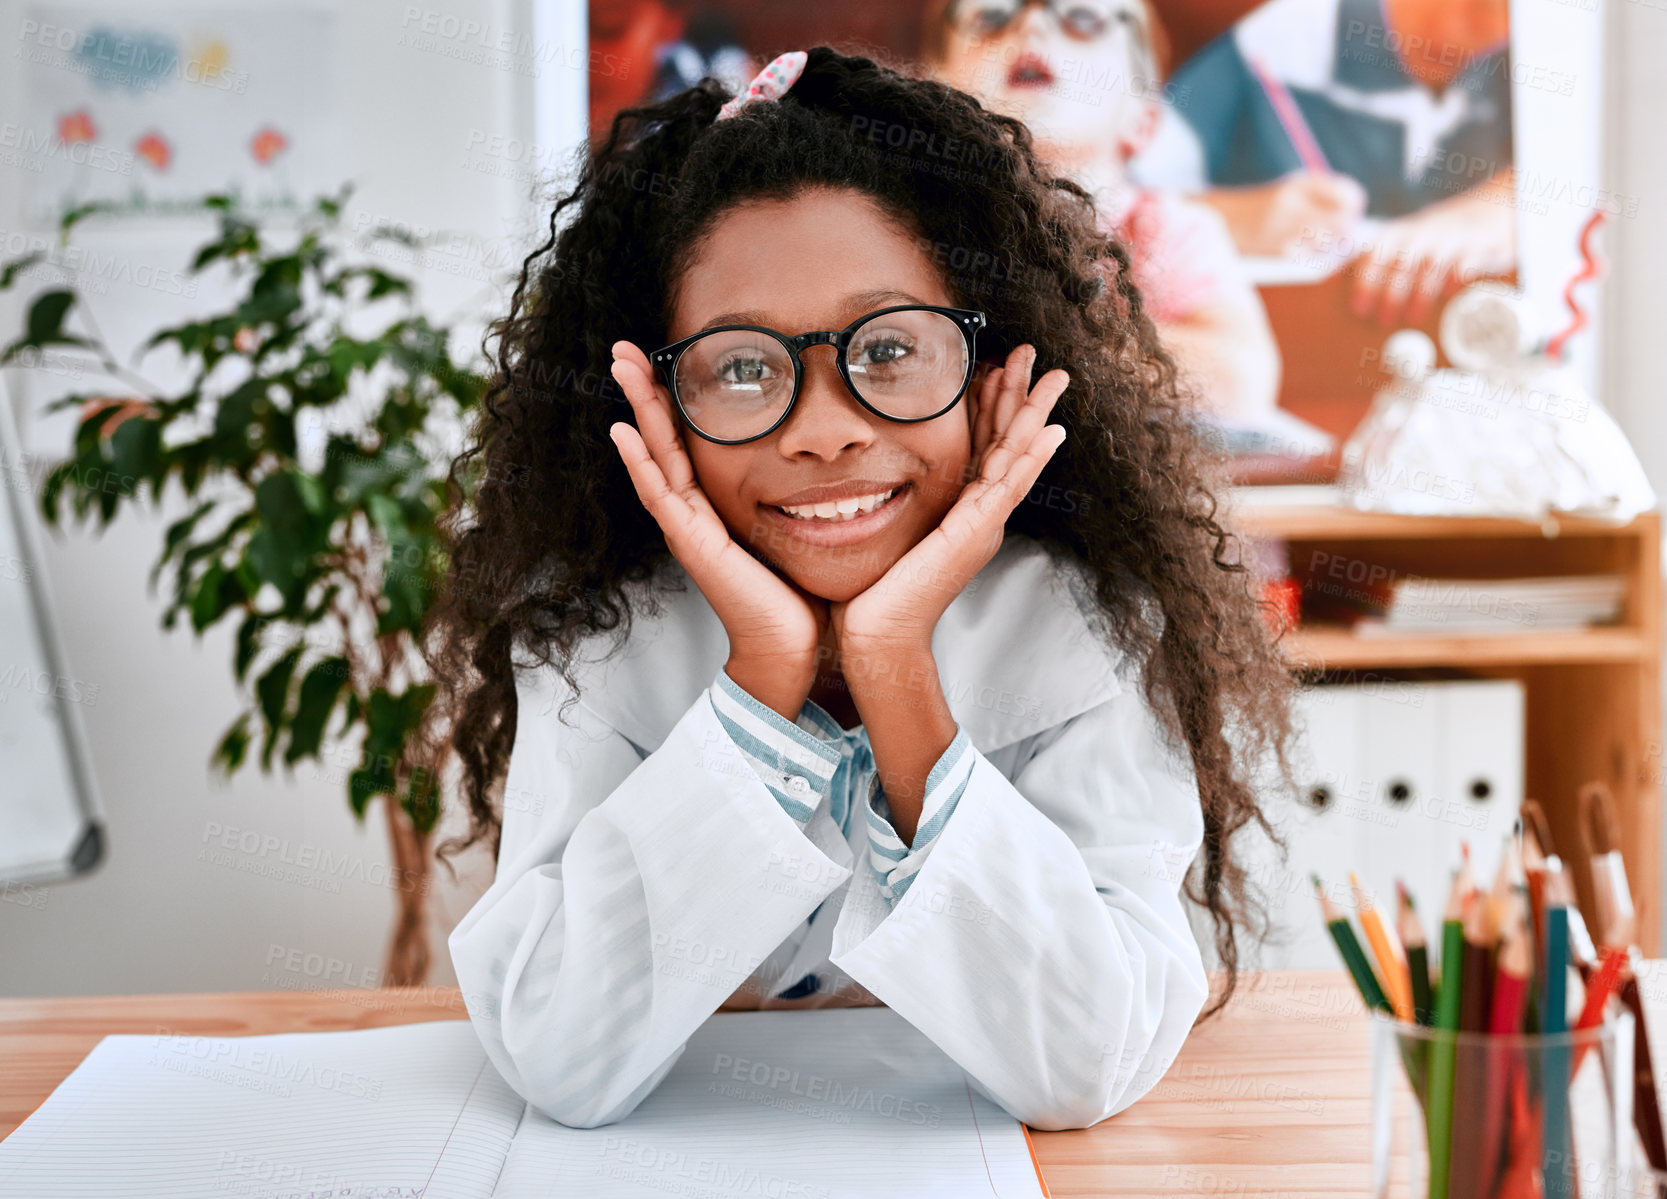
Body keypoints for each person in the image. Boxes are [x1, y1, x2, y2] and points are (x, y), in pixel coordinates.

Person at [424, 45, 1296, 1133]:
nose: (824, 427)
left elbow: (1082, 1061)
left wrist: (891, 666)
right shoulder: (598, 633)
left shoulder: (1078, 626)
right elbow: (557, 1050)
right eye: (742, 365)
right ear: (651, 393)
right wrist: (759, 686)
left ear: (993, 379)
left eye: (888, 349)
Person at [921, 0, 1287, 433]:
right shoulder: (913, 219)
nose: (1032, 25)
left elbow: (1240, 381)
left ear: (1143, 121)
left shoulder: (1165, 230)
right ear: (932, 97)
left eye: (1084, 19)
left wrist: (1039, 336)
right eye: (992, 17)